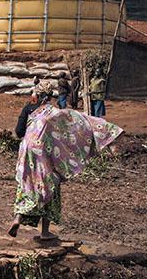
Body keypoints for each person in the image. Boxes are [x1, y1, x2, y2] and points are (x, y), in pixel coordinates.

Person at [8, 100, 123, 241]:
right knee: (51, 187)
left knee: (27, 185)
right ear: (48, 98)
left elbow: (19, 131)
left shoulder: (31, 111)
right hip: (44, 153)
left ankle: (17, 218)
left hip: (27, 151)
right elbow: (74, 122)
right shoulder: (54, 112)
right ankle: (45, 232)